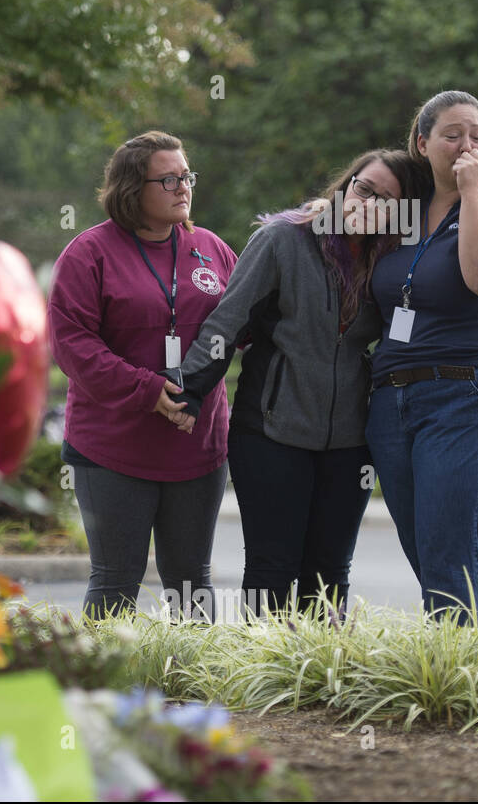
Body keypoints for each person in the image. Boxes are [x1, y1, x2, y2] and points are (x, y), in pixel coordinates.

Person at [166, 149, 424, 619]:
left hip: (348, 440)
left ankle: (320, 686)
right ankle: (265, 689)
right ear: (346, 185)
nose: (368, 204)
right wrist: (189, 390)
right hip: (270, 430)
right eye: (364, 189)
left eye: (387, 200)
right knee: (272, 567)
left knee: (329, 573)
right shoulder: (285, 239)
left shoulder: (392, 261)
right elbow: (228, 319)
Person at [365, 90, 478, 628]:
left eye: (477, 136)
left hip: (471, 393)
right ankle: (454, 667)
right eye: (452, 134)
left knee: (449, 549)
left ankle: (464, 691)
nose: (467, 145)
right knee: (425, 549)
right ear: (422, 144)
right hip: (393, 399)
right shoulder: (402, 213)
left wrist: (471, 195)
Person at [48, 131, 238, 620]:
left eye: (186, 176)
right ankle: (103, 694)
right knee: (114, 581)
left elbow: (243, 323)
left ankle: (196, 694)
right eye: (168, 179)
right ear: (132, 188)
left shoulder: (211, 248)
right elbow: (73, 347)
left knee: (192, 584)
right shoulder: (88, 255)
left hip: (196, 447)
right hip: (112, 449)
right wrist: (148, 390)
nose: (183, 188)